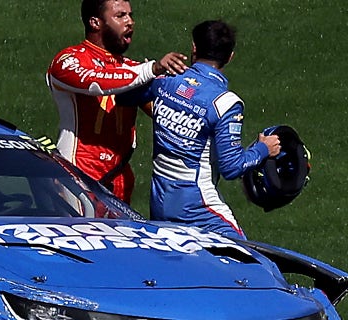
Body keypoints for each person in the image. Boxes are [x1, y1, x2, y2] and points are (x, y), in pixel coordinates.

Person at [118, 20, 280, 239]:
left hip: (160, 202)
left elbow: (123, 94)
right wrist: (263, 149)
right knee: (247, 260)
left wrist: (150, 70)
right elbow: (232, 167)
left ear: (194, 48)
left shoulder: (165, 80)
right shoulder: (225, 103)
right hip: (198, 206)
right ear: (230, 57)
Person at [46, 0, 188, 204]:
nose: (130, 22)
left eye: (130, 15)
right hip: (78, 175)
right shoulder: (68, 60)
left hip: (120, 177)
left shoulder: (133, 69)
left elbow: (165, 113)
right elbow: (97, 82)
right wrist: (152, 69)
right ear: (95, 22)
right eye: (120, 16)